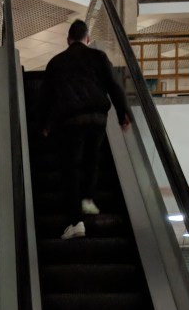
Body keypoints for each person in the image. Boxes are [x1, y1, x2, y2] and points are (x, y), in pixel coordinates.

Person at [40, 19, 132, 240]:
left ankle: (75, 222)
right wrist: (123, 114)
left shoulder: (56, 62)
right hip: (98, 118)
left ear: (68, 40)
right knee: (92, 160)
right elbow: (114, 86)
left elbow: (46, 98)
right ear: (87, 39)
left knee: (71, 169)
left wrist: (45, 124)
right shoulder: (98, 57)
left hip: (71, 121)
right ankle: (88, 200)